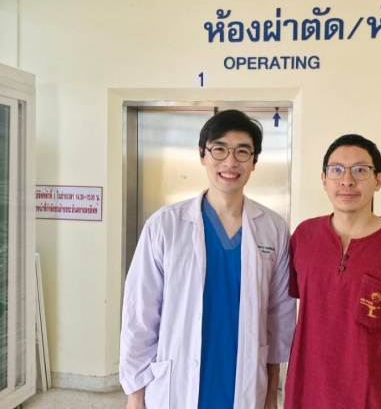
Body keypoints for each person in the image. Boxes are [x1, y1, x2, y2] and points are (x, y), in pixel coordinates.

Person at [120, 109, 296, 409]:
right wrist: (135, 395)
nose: (230, 162)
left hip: (243, 382)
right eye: (219, 149)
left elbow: (278, 317)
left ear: (254, 161)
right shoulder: (165, 225)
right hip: (178, 383)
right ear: (203, 155)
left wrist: (270, 393)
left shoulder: (273, 228)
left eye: (243, 151)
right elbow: (140, 313)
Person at [284, 134, 381, 409]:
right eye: (336, 170)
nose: (347, 180)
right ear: (324, 179)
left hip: (373, 396)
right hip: (307, 392)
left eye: (360, 170)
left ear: (379, 180)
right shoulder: (304, 237)